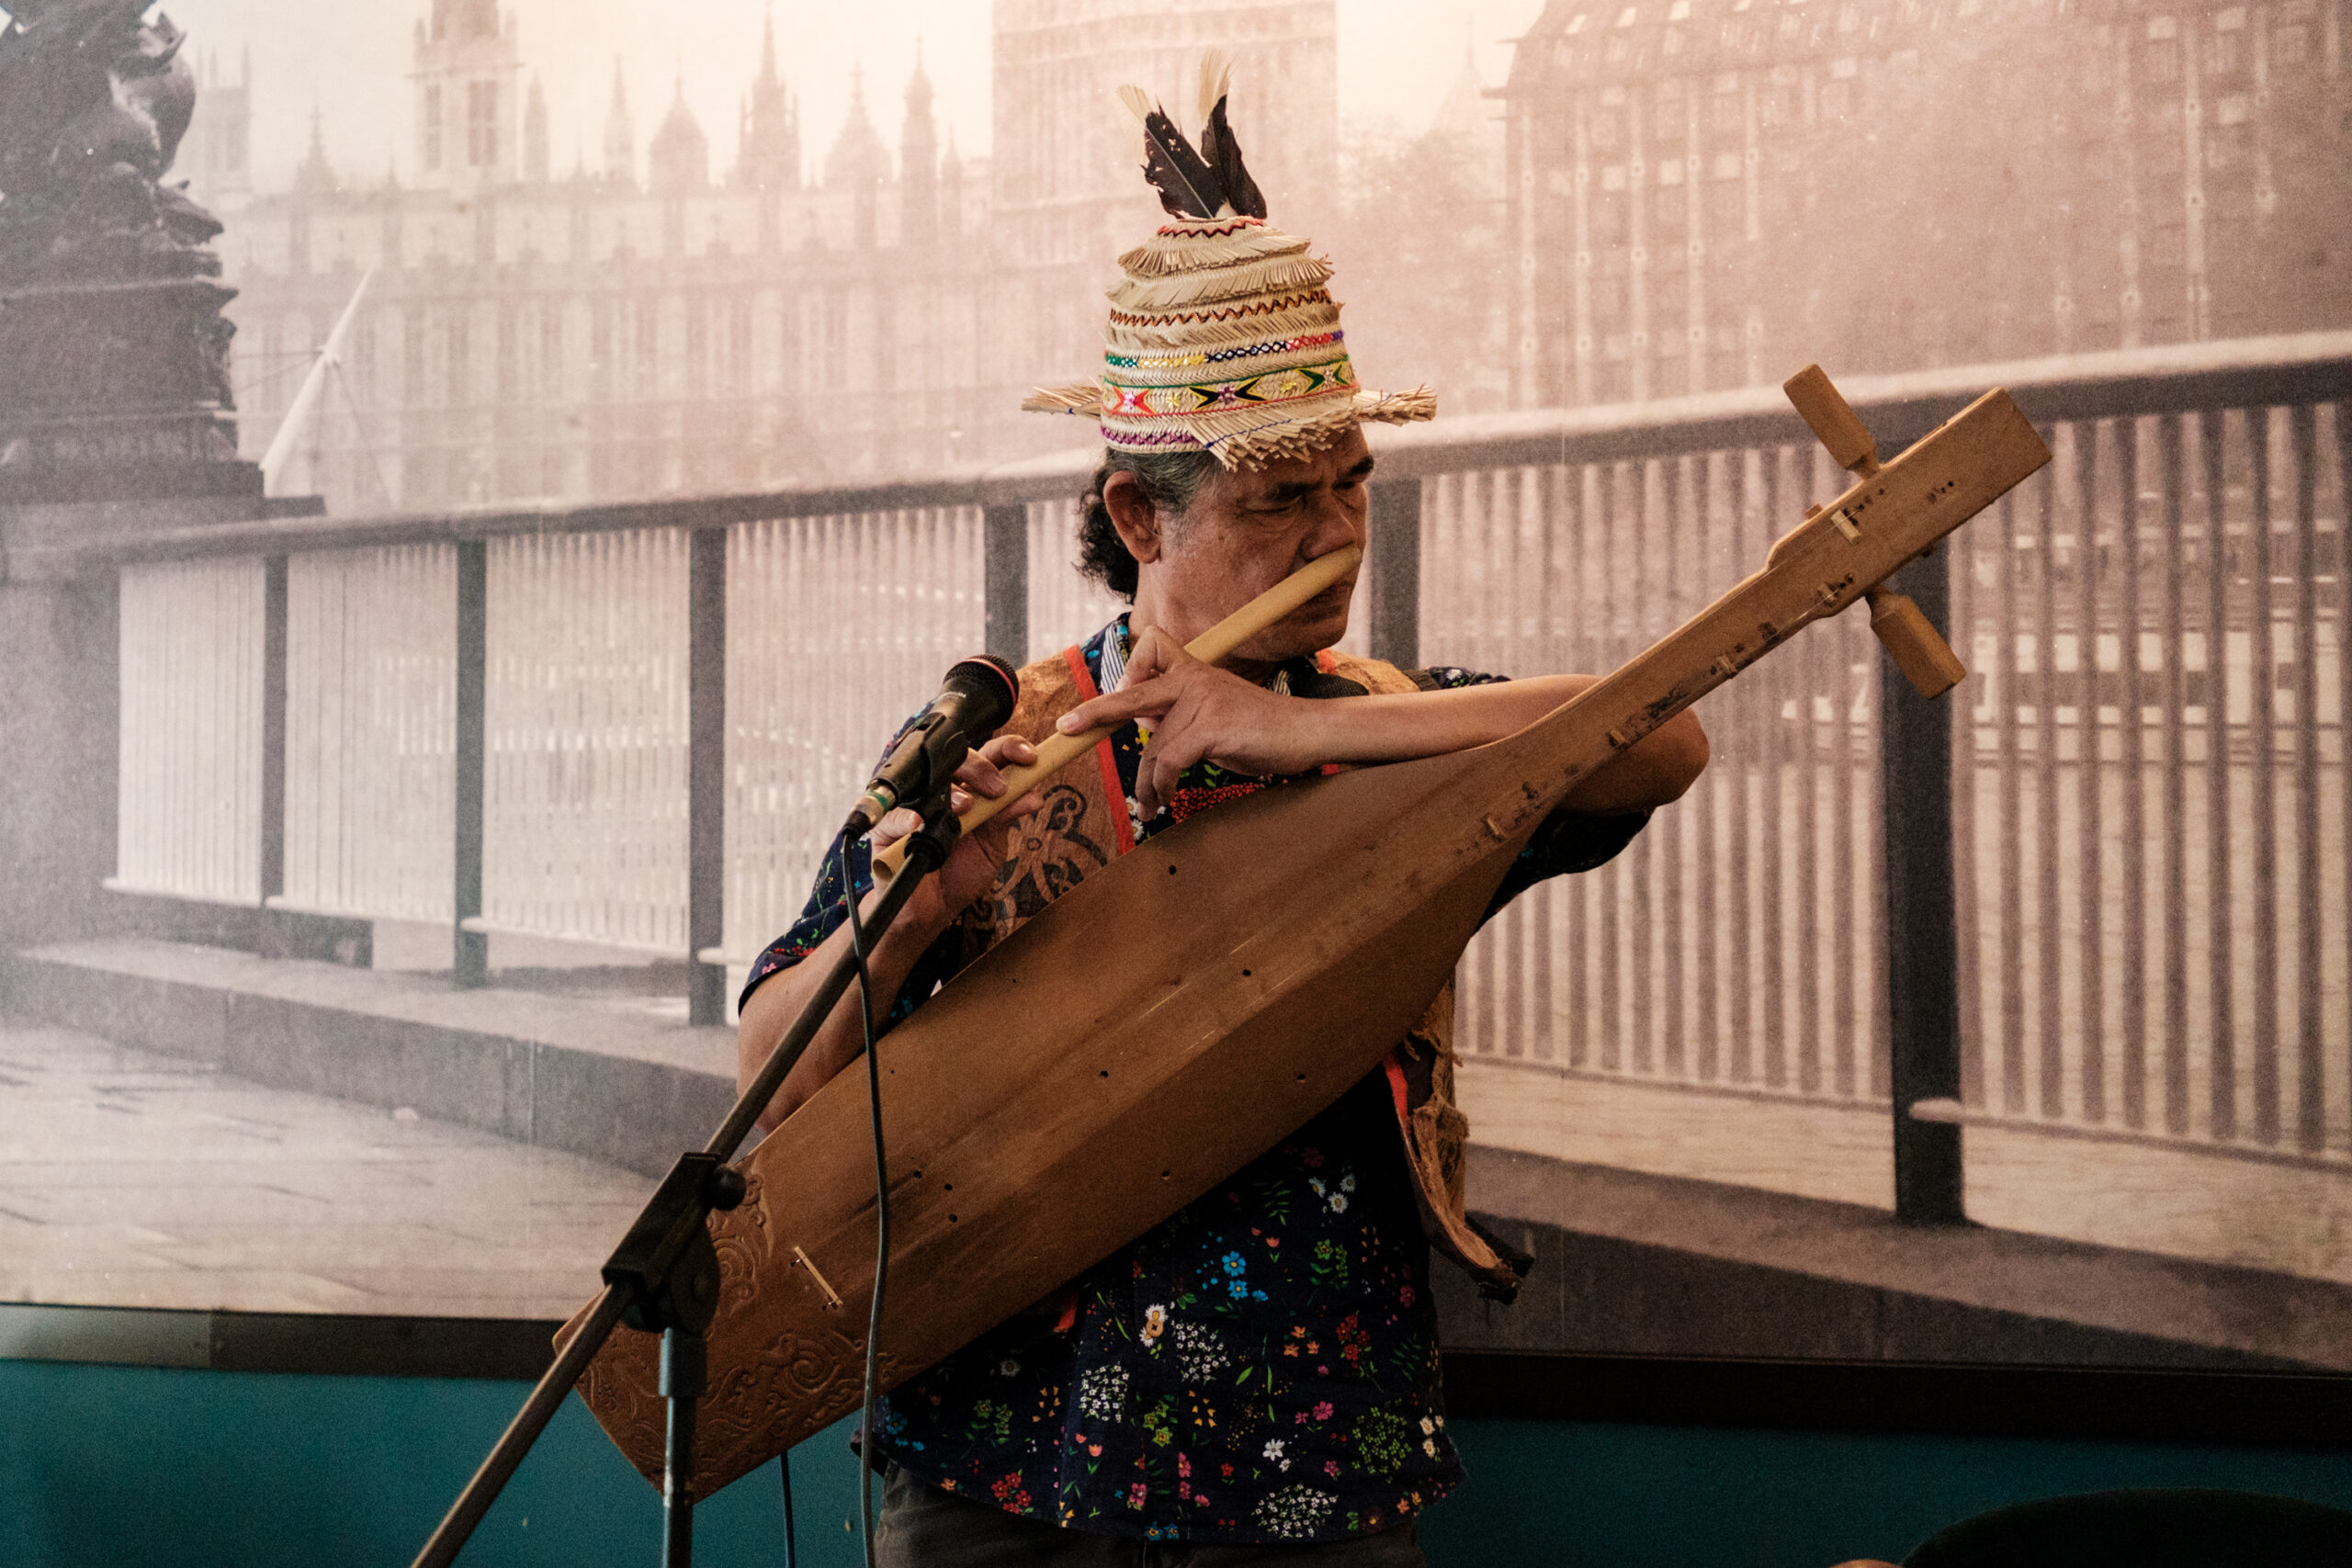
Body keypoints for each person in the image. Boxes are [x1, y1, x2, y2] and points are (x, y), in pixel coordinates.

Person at [735, 66, 1707, 1566]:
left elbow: (1666, 735)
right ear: (1140, 518)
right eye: (1277, 502)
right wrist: (912, 911)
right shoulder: (1009, 739)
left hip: (1311, 1462)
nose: (1335, 536)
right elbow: (768, 1078)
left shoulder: (1395, 729)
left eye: (1352, 486)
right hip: (1004, 1460)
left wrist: (1301, 726)